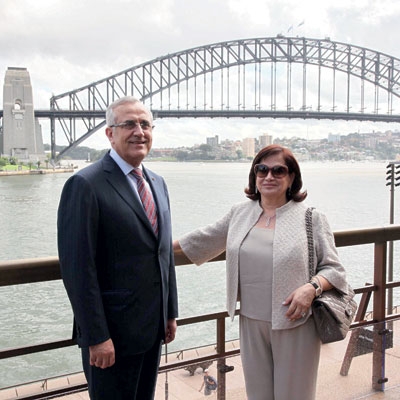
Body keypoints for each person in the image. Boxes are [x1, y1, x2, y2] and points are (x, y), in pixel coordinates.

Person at [173, 144, 351, 400]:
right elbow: (203, 239)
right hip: (250, 320)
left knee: (294, 396)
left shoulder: (311, 218)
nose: (269, 176)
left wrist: (310, 289)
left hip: (295, 321)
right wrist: (153, 247)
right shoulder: (240, 213)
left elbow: (335, 270)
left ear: (291, 177)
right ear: (254, 175)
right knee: (257, 395)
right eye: (262, 169)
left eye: (279, 171)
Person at [58, 96, 178, 400]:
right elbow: (78, 270)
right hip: (112, 337)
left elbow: (163, 253)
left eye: (145, 124)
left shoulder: (157, 182)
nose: (139, 131)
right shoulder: (85, 184)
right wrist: (96, 336)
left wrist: (169, 312)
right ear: (110, 133)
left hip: (151, 329)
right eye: (129, 124)